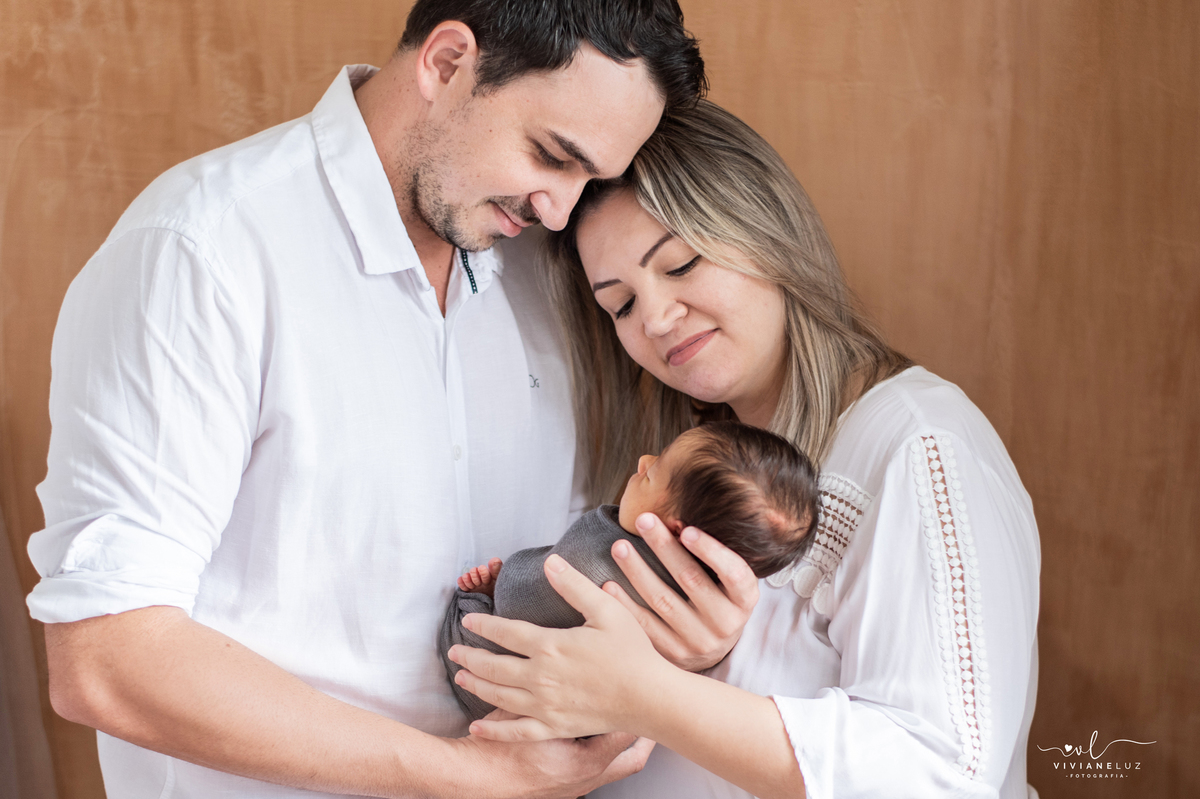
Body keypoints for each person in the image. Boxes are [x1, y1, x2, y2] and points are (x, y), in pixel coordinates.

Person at [24, 4, 763, 798]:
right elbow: (106, 659)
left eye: (589, 178)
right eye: (551, 155)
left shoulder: (558, 264)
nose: (558, 206)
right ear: (446, 64)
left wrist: (681, 653)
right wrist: (464, 775)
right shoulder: (202, 252)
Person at [447, 99, 1041, 799]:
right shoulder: (669, 473)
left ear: (765, 231)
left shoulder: (917, 448)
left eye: (681, 263)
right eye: (622, 305)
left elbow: (940, 772)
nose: (658, 319)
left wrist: (645, 693)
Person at [441, 420, 820, 720]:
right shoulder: (703, 600)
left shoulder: (600, 559)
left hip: (490, 691)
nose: (643, 461)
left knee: (495, 603)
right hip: (577, 722)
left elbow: (524, 594)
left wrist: (498, 586)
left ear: (673, 531)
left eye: (652, 475)